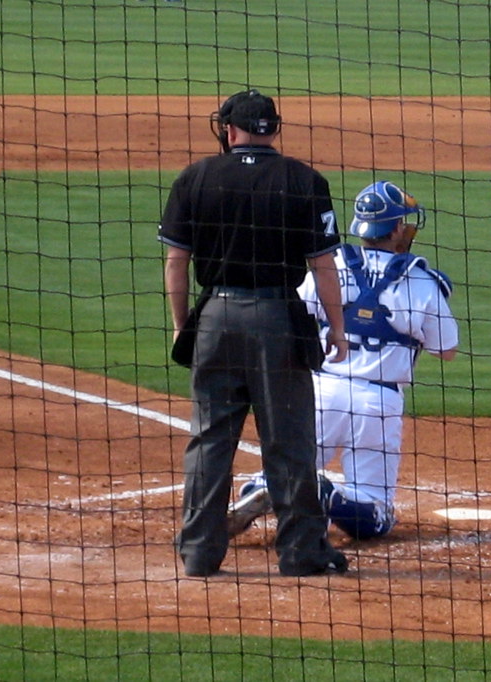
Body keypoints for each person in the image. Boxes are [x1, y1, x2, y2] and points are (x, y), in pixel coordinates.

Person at [159, 89, 350, 576]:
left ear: (229, 129)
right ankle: (301, 553)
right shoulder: (304, 180)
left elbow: (176, 260)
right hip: (277, 321)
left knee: (210, 440)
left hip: (216, 318)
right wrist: (339, 328)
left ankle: (200, 553)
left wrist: (185, 325)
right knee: (289, 441)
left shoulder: (196, 177)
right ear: (273, 129)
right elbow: (323, 265)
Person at [226, 180, 459, 541]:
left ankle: (265, 486)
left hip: (320, 393)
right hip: (377, 403)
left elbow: (294, 315)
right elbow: (446, 350)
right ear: (396, 228)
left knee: (288, 466)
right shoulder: (422, 282)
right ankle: (327, 495)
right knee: (375, 514)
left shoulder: (329, 265)